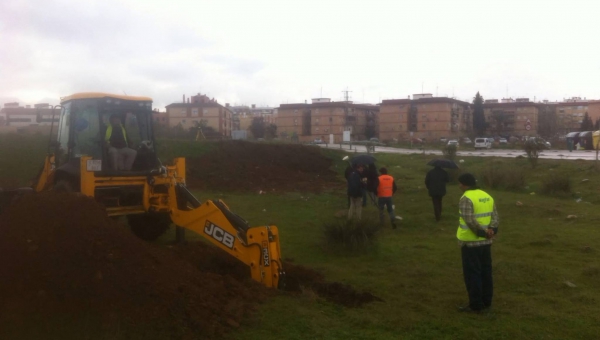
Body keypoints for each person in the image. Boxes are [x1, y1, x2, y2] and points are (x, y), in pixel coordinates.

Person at [456, 173, 499, 314]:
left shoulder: (466, 198)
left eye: (460, 183)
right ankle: (487, 301)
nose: (459, 186)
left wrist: (483, 232)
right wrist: (491, 230)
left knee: (472, 274)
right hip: (486, 243)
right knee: (486, 272)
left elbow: (470, 221)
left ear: (464, 184)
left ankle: (475, 304)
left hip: (470, 243)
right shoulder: (487, 196)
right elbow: (495, 217)